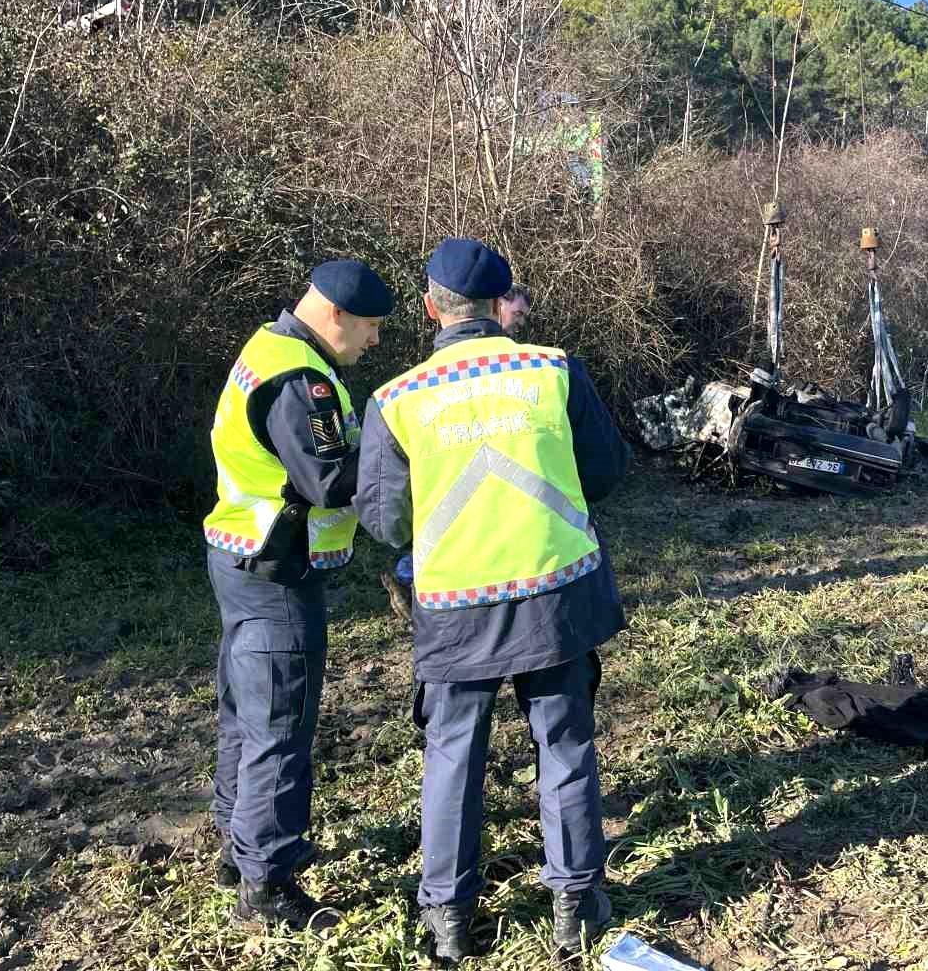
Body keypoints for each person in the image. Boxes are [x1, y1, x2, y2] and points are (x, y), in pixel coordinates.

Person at [356, 238, 629, 962]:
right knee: (564, 746)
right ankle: (576, 903)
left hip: (453, 613)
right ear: (501, 304)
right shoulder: (552, 370)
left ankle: (448, 918)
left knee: (453, 759)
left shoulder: (396, 400)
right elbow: (605, 473)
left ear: (429, 309)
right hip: (556, 596)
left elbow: (384, 522)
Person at [203, 259, 393, 932]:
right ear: (338, 315)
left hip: (241, 554)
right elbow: (329, 480)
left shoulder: (267, 345)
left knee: (247, 713)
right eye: (370, 328)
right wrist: (394, 446)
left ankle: (238, 844)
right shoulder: (300, 379)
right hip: (280, 570)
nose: (373, 342)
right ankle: (270, 884)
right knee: (281, 725)